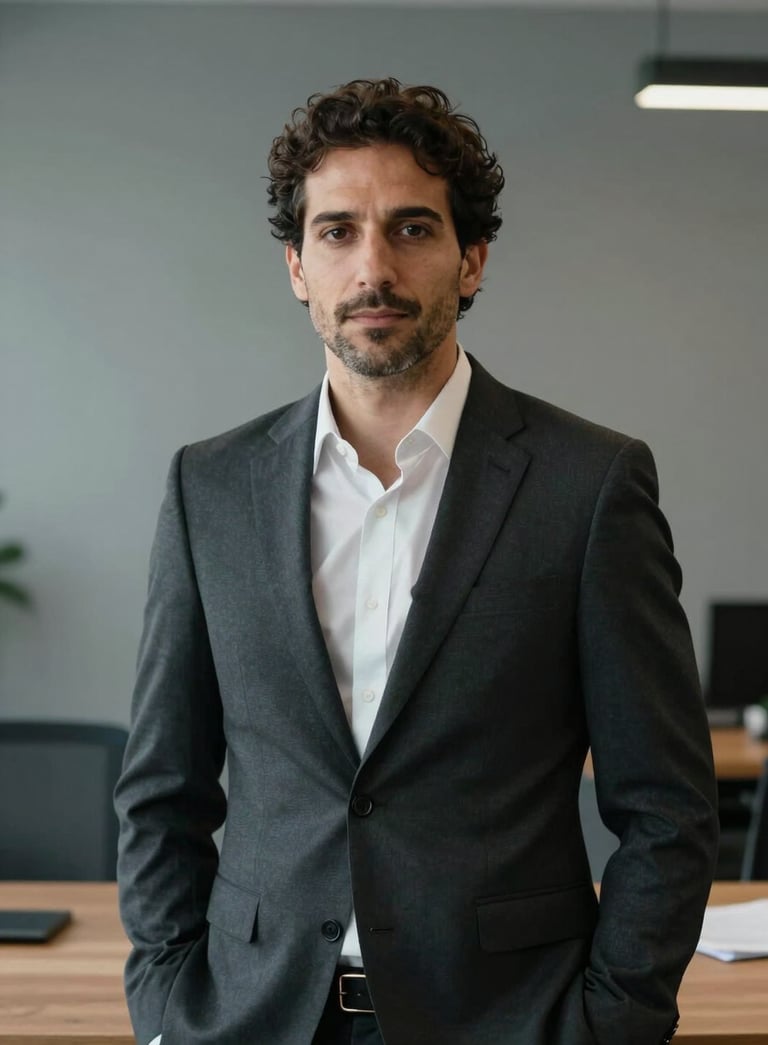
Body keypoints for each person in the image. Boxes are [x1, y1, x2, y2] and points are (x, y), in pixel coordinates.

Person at [114, 79, 719, 1045]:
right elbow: (161, 790)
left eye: (411, 228)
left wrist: (612, 1023)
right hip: (251, 1017)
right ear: (297, 265)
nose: (373, 267)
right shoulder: (210, 488)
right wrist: (165, 1005)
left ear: (471, 259)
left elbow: (668, 807)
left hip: (506, 1019)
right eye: (337, 231)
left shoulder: (589, 485)